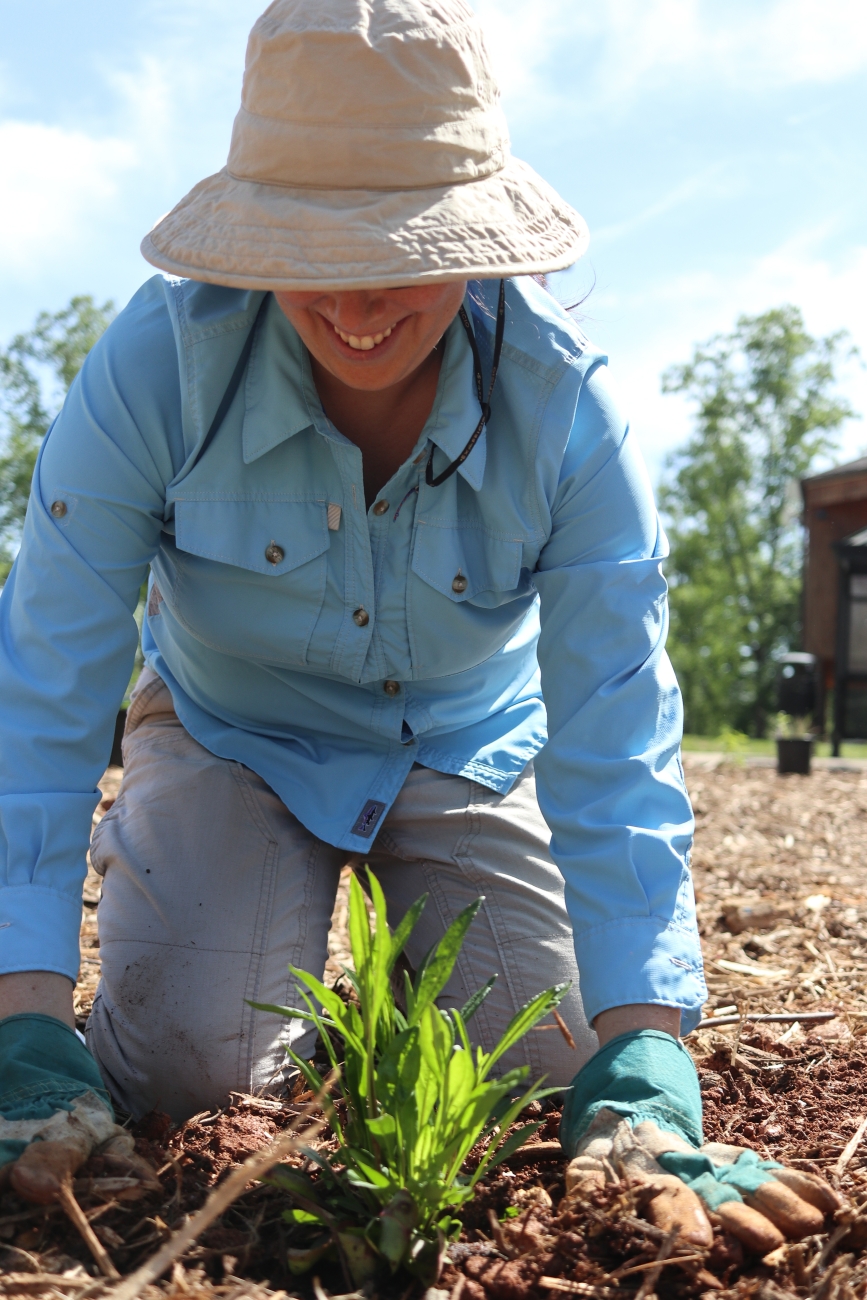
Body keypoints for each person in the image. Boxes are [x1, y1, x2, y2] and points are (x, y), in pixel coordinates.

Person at [0, 0, 835, 1246]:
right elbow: (45, 685)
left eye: (407, 246)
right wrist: (22, 1016)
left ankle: (420, 979)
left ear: (482, 238)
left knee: (542, 1069)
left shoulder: (567, 412)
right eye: (311, 249)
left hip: (466, 738)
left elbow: (616, 731)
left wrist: (646, 1055)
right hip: (229, 728)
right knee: (191, 1072)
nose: (357, 300)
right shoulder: (158, 371)